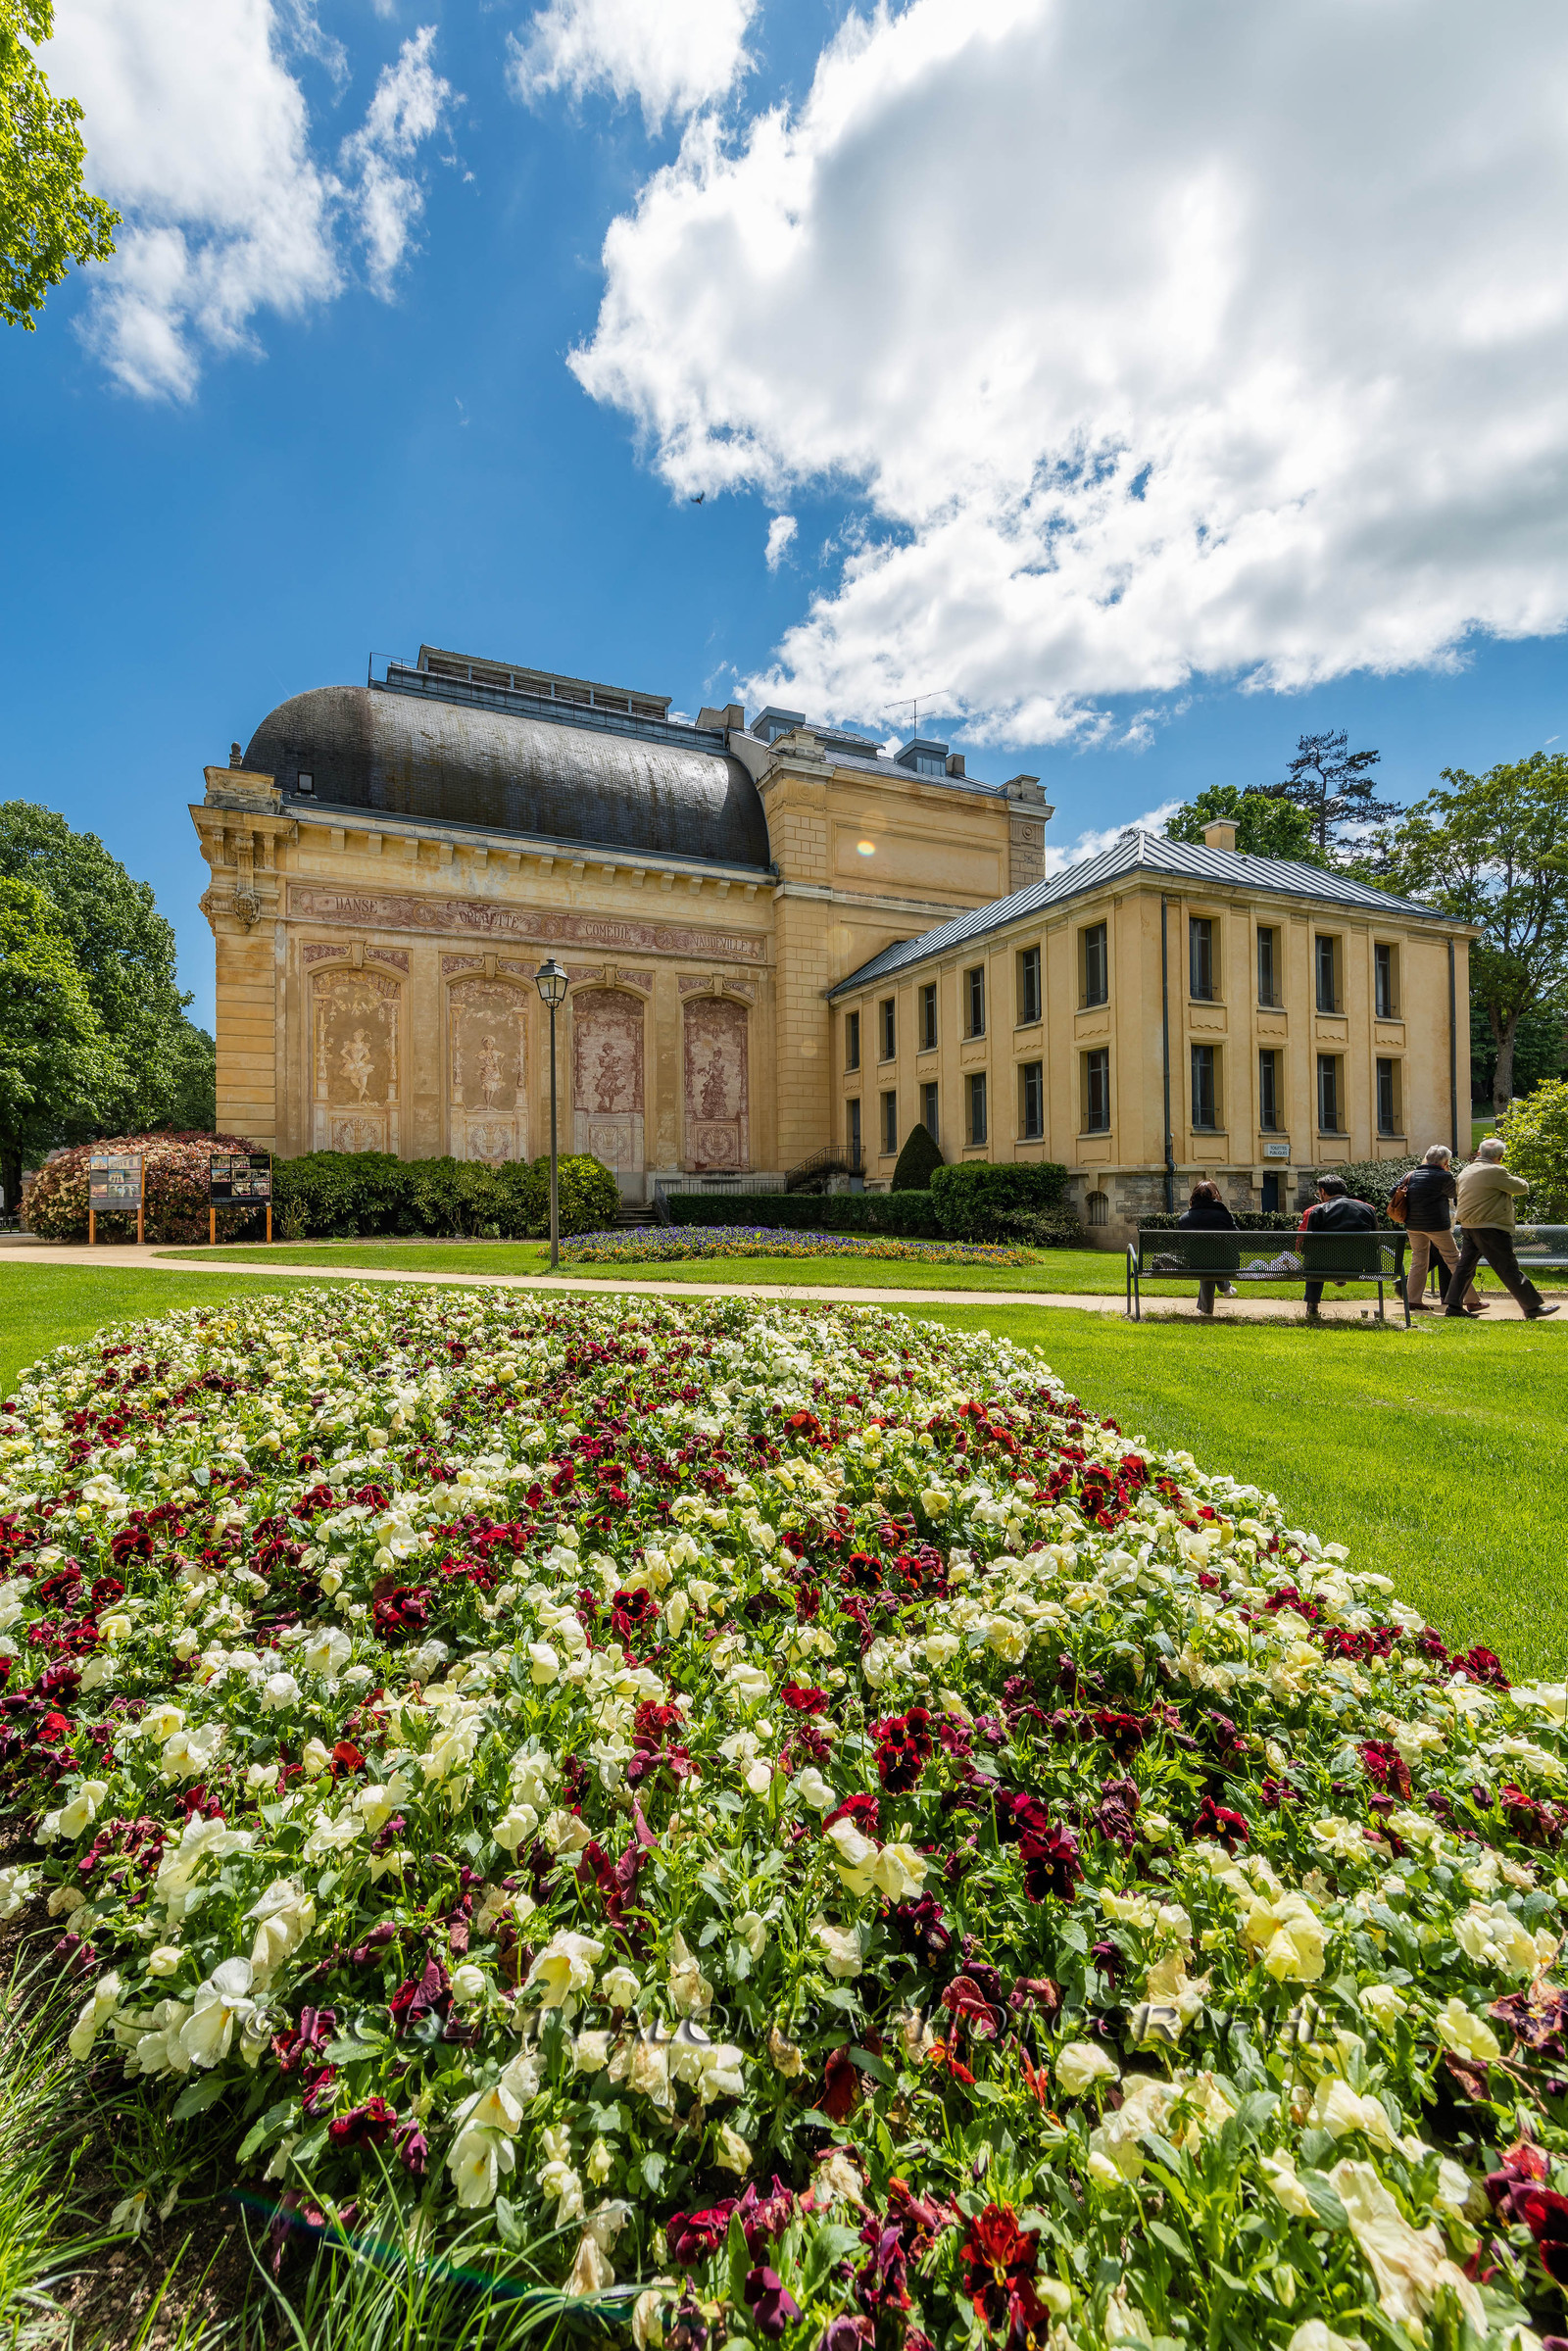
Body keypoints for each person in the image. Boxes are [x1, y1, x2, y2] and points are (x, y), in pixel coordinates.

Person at [1446, 1136, 1560, 1320]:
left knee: (1465, 1267)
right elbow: (1521, 1187)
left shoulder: (1466, 1171)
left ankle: (1453, 1306)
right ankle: (1532, 1308)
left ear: (1479, 1153)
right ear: (1500, 1156)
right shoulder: (1495, 1171)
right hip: (1490, 1227)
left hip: (1468, 1225)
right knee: (1508, 1268)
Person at [1401, 1145, 1484, 1314]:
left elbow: (1393, 1192)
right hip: (1436, 1225)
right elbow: (1455, 1194)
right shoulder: (1443, 1176)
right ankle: (1471, 1300)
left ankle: (1413, 1300)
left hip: (1413, 1225)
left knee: (1418, 1260)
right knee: (1454, 1260)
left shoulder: (1411, 1175)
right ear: (1445, 1161)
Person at [1298, 1173, 1376, 1321]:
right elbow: (1375, 1240)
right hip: (1359, 1265)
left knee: (1313, 1261)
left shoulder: (1318, 1211)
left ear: (1322, 1191)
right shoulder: (1367, 1209)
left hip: (1324, 1267)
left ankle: (1312, 1308)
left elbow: (1308, 1246)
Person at [1178, 1180, 1238, 1316]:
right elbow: (1236, 1237)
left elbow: (1182, 1244)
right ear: (1215, 1195)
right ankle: (1225, 1287)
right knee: (1212, 1258)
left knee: (1204, 1259)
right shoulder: (1224, 1216)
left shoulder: (1184, 1219)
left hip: (1194, 1264)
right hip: (1226, 1263)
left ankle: (1206, 1310)